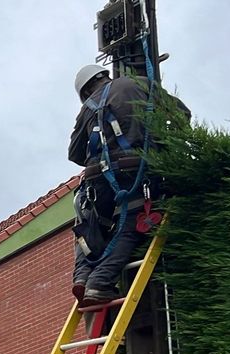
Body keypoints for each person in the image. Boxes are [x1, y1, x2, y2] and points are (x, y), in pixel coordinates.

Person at [68, 64, 190, 305]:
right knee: (131, 224)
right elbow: (181, 115)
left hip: (96, 181)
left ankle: (82, 276)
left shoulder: (86, 109)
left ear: (84, 91)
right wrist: (162, 145)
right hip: (134, 171)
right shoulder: (139, 83)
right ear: (104, 76)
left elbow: (75, 153)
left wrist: (102, 158)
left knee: (90, 224)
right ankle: (99, 283)